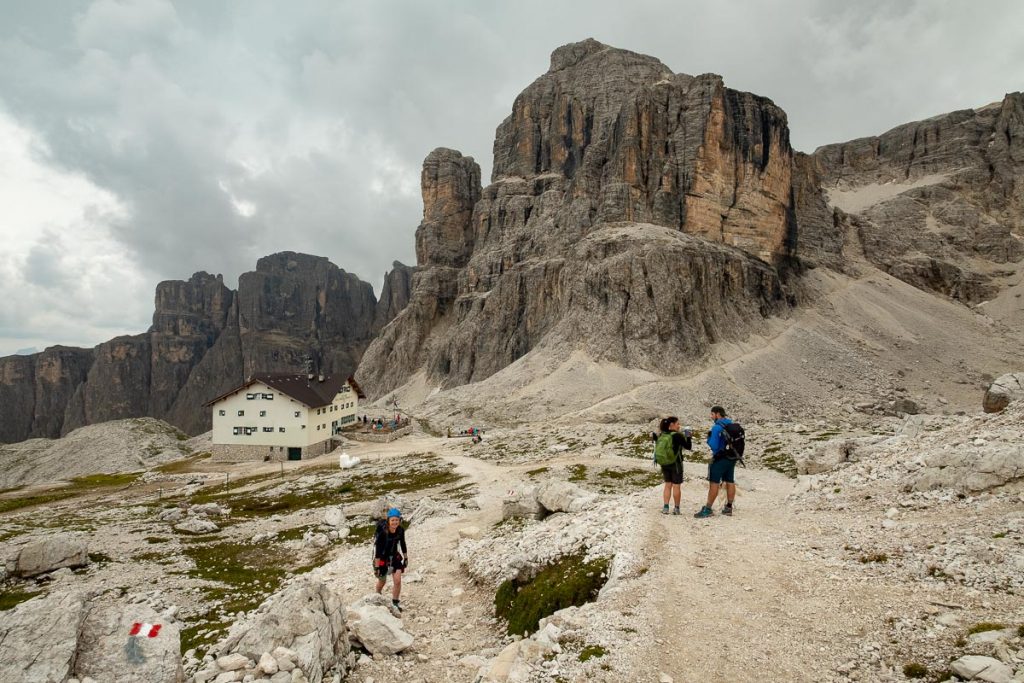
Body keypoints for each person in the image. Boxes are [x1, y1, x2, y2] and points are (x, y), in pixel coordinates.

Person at [695, 405, 735, 518]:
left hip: (720, 458)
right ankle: (729, 507)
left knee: (714, 483)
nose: (711, 416)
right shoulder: (731, 424)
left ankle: (708, 509)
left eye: (712, 414)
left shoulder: (716, 427)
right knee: (730, 481)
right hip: (731, 457)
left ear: (717, 414)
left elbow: (714, 446)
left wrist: (709, 439)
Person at [654, 416, 692, 515]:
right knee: (676, 485)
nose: (679, 426)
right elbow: (688, 447)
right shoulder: (677, 435)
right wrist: (688, 436)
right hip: (676, 464)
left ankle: (666, 507)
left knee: (667, 485)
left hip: (664, 463)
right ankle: (676, 508)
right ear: (672, 425)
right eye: (677, 424)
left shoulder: (662, 435)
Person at [373, 507, 408, 611]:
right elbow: (378, 552)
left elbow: (403, 543)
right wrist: (377, 567)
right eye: (393, 520)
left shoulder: (400, 530)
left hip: (395, 557)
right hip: (382, 559)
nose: (395, 522)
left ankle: (395, 603)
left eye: (397, 520)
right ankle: (377, 594)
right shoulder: (383, 533)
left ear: (399, 520)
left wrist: (406, 557)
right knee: (382, 581)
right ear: (388, 520)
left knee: (397, 581)